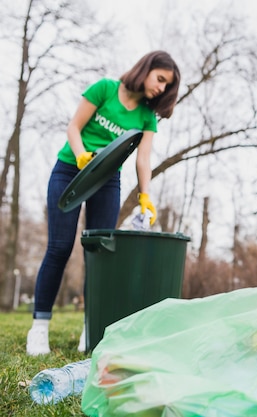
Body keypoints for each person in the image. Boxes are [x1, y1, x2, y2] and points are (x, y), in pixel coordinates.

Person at [26, 50, 181, 356]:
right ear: (146, 69)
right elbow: (73, 127)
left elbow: (144, 158)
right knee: (59, 248)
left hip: (107, 180)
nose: (161, 88)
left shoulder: (146, 117)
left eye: (167, 86)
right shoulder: (105, 89)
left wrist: (145, 196)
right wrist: (82, 154)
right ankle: (39, 328)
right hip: (70, 170)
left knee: (98, 256)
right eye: (160, 79)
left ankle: (91, 328)